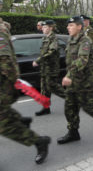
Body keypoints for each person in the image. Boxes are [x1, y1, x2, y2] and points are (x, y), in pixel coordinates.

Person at [57, 16, 93, 144]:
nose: (68, 27)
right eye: (68, 25)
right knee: (69, 107)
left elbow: (82, 60)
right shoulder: (71, 39)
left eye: (71, 25)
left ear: (79, 26)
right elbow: (70, 60)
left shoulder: (85, 41)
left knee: (88, 107)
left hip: (85, 81)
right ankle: (73, 132)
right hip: (74, 80)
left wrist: (69, 75)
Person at [0, 21, 51, 164]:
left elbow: (5, 61)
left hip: (3, 84)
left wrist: (14, 83)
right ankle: (20, 120)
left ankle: (38, 141)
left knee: (3, 125)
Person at [33, 20, 65, 116]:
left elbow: (51, 52)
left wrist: (38, 60)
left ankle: (72, 99)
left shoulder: (53, 38)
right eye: (42, 27)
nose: (43, 29)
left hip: (51, 68)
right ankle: (46, 108)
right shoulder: (45, 38)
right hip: (45, 68)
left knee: (54, 87)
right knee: (44, 89)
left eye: (45, 27)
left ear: (51, 28)